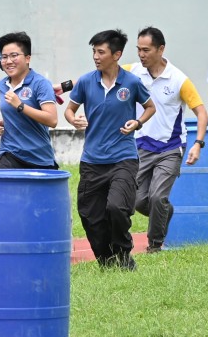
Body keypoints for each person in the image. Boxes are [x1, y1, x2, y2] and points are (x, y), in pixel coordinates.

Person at [64, 29, 156, 270]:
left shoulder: (132, 82)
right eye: (93, 51)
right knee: (89, 215)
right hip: (92, 159)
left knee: (116, 206)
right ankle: (106, 260)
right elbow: (69, 109)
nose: (95, 56)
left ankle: (123, 254)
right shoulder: (85, 81)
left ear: (116, 55)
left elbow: (150, 107)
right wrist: (73, 119)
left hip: (123, 157)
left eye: (100, 52)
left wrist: (138, 122)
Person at [125, 27, 208, 252]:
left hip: (170, 148)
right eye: (138, 50)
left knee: (158, 197)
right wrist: (64, 87)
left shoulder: (179, 80)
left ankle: (155, 245)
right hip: (141, 145)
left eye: (146, 50)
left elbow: (202, 112)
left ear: (161, 49)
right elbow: (99, 73)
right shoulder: (132, 71)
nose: (141, 55)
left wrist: (198, 144)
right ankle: (164, 211)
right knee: (135, 200)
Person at [0, 32, 58, 169]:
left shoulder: (41, 83)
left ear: (27, 58)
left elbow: (52, 120)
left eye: (14, 56)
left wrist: (20, 106)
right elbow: (13, 116)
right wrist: (0, 125)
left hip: (39, 158)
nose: (8, 61)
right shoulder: (2, 85)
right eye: (4, 57)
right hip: (9, 153)